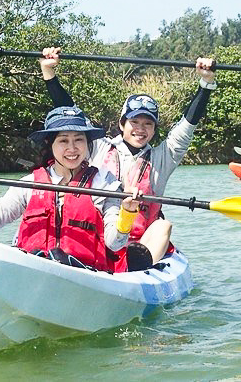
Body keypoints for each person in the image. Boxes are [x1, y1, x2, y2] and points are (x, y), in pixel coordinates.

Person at [38, 47, 217, 271]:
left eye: (148, 124)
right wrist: (49, 74)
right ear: (122, 124)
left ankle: (135, 268)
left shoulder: (164, 157)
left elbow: (188, 124)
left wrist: (205, 83)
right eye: (135, 122)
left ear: (154, 130)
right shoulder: (98, 147)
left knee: (163, 225)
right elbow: (69, 113)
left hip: (139, 246)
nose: (140, 129)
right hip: (97, 237)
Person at [0, 106, 141, 272]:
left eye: (79, 140)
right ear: (50, 144)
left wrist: (128, 211)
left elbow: (115, 243)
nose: (72, 149)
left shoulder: (105, 185)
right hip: (34, 272)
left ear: (87, 144)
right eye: (63, 140)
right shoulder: (28, 184)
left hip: (85, 277)